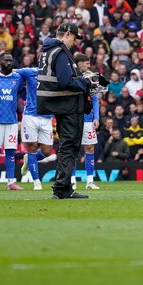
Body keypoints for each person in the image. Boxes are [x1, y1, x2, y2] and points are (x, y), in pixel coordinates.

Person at [37, 21, 97, 199]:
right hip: (67, 105)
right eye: (74, 38)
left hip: (59, 105)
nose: (75, 43)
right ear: (68, 34)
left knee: (66, 146)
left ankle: (63, 187)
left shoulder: (48, 50)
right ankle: (62, 188)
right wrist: (86, 82)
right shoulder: (61, 51)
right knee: (69, 146)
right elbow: (65, 81)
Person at [0, 52, 24, 190]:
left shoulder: (17, 77)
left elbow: (23, 91)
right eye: (6, 60)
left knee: (10, 152)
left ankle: (11, 182)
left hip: (12, 121)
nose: (8, 63)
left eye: (10, 60)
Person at [17, 48, 54, 191]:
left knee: (47, 151)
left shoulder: (55, 75)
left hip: (47, 117)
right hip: (31, 115)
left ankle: (28, 159)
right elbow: (11, 71)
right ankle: (36, 182)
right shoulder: (29, 72)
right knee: (32, 147)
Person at [79, 81, 101, 192]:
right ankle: (71, 181)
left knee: (90, 148)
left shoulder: (90, 84)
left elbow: (95, 100)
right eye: (87, 62)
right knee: (72, 149)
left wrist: (96, 117)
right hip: (74, 120)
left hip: (88, 120)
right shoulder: (73, 80)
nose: (88, 65)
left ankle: (90, 181)